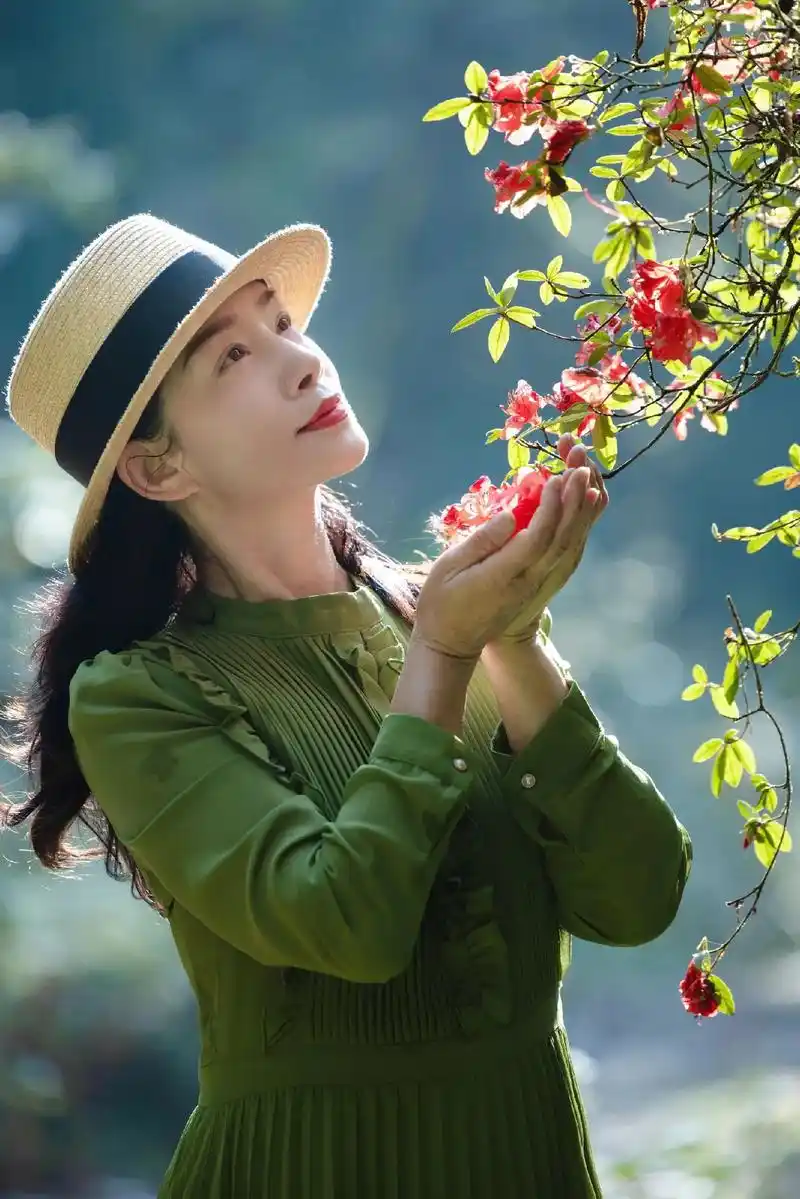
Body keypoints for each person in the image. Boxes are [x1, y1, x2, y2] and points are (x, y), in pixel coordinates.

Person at [2, 213, 692, 1198]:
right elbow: (347, 922)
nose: (298, 360)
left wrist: (514, 638)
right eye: (235, 353)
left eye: (282, 320)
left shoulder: (444, 611)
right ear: (159, 468)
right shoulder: (138, 696)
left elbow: (638, 896)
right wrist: (449, 648)